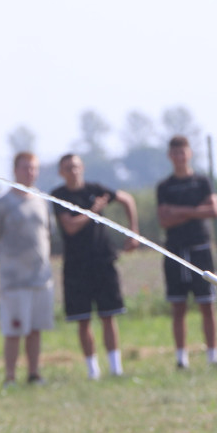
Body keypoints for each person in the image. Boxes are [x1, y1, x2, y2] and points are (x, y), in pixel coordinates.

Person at [51, 154, 139, 379]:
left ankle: (115, 367)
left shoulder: (95, 189)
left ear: (83, 168)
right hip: (76, 264)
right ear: (61, 172)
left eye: (76, 167)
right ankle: (93, 370)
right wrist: (92, 211)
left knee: (109, 315)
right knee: (83, 319)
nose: (73, 171)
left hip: (102, 260)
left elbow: (126, 199)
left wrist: (133, 232)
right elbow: (70, 227)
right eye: (68, 168)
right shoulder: (59, 196)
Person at [0, 152, 54, 387]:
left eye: (33, 168)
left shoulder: (41, 200)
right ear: (15, 171)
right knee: (13, 330)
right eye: (25, 168)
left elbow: (47, 234)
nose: (30, 172)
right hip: (14, 280)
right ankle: (10, 377)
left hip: (40, 278)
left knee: (35, 328)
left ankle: (34, 374)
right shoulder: (2, 202)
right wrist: (1, 260)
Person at [156, 135, 217, 369]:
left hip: (200, 248)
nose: (179, 157)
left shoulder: (202, 181)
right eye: (175, 153)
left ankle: (213, 355)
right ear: (170, 156)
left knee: (207, 304)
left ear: (190, 153)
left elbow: (214, 209)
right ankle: (181, 358)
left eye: (183, 152)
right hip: (174, 250)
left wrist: (180, 211)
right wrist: (195, 210)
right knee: (178, 306)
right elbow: (164, 219)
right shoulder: (164, 187)